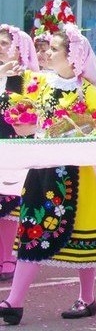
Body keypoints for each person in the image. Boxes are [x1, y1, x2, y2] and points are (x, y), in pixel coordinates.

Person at [0, 6, 96, 325]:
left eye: (54, 48)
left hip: (75, 176)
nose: (47, 52)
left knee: (82, 241)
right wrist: (11, 77)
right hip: (42, 171)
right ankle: (14, 302)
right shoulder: (43, 83)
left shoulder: (87, 91)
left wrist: (64, 127)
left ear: (73, 58)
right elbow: (13, 99)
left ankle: (87, 297)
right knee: (33, 230)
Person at [0, 24, 40, 282]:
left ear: (19, 48)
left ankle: (8, 258)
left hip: (14, 144)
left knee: (10, 201)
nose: (0, 49)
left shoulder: (28, 79)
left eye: (5, 44)